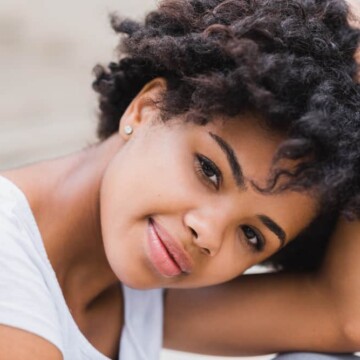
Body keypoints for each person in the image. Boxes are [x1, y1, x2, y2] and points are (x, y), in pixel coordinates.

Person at [0, 0, 359, 360]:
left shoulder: (126, 293)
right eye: (209, 170)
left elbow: (346, 318)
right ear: (146, 108)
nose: (209, 234)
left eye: (251, 235)